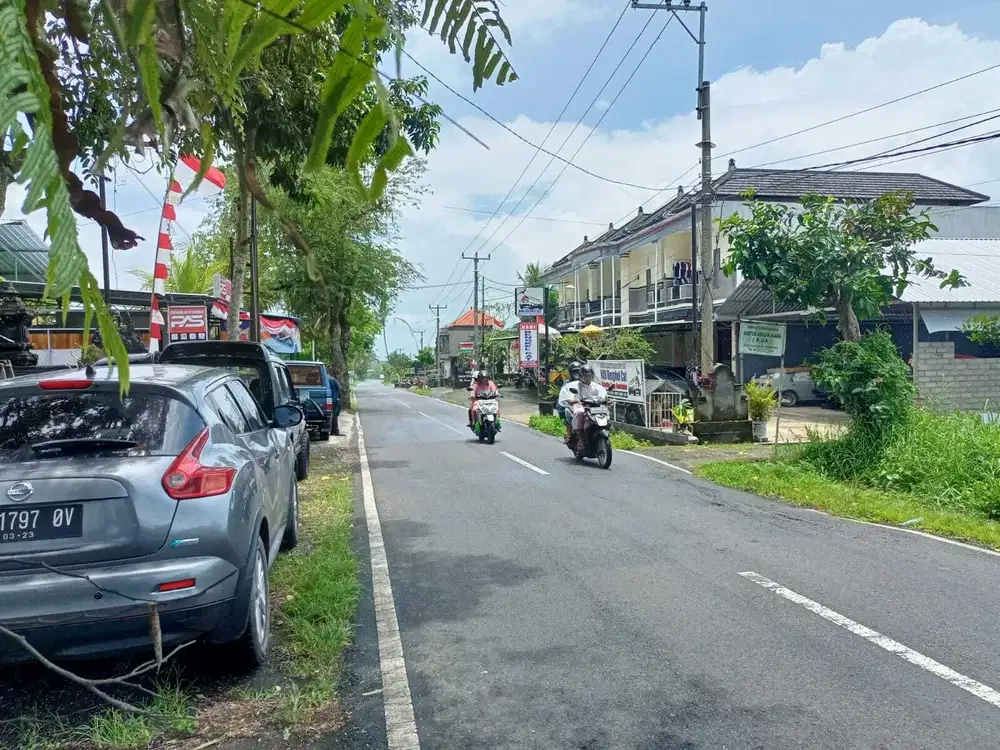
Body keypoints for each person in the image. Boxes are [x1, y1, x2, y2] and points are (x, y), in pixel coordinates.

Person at [566, 363, 608, 446]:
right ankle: (580, 439)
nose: (587, 378)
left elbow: (602, 395)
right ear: (581, 376)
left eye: (589, 376)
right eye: (585, 376)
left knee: (605, 411)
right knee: (580, 413)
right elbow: (570, 398)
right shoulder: (576, 385)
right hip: (581, 406)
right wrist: (574, 400)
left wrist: (605, 400)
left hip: (594, 407)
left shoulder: (596, 386)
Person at [556, 361, 583, 442]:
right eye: (574, 371)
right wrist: (569, 400)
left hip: (584, 402)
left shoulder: (585, 381)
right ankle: (569, 432)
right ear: (570, 372)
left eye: (578, 371)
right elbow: (564, 394)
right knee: (564, 410)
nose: (576, 374)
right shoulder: (567, 383)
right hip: (571, 403)